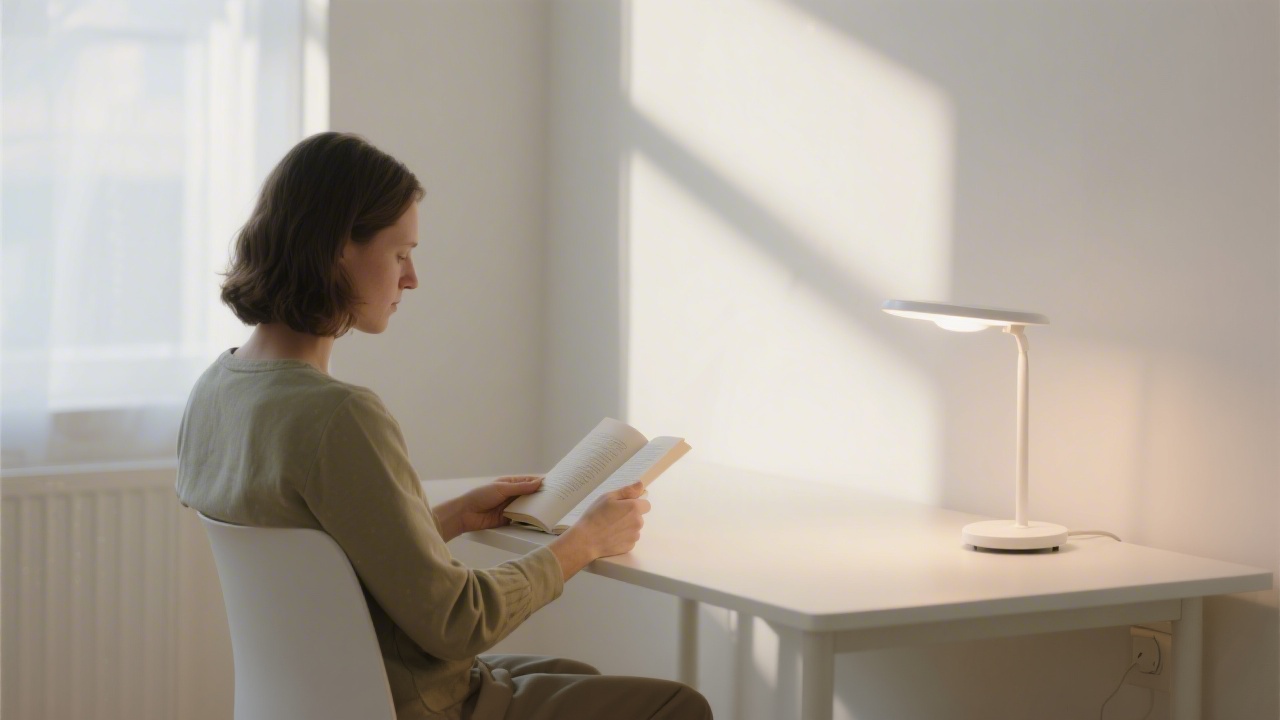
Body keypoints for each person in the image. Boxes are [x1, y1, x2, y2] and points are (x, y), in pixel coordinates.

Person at [176, 132, 712, 720]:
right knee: (676, 706)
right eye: (400, 253)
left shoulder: (216, 391)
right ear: (338, 249)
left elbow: (323, 567)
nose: (412, 278)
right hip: (410, 702)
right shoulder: (338, 417)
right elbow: (457, 623)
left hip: (316, 699)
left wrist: (453, 517)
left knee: (576, 677)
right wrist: (585, 543)